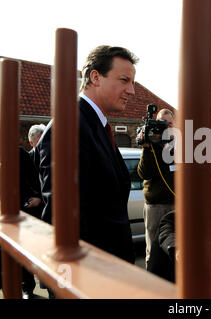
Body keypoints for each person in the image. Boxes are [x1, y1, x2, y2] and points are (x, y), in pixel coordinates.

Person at [36, 46, 138, 266]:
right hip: (89, 272)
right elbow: (61, 216)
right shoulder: (70, 126)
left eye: (133, 83)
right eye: (124, 80)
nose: (132, 91)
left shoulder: (95, 125)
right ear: (95, 77)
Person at [0, 117, 43, 298]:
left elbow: (37, 184)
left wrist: (36, 198)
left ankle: (27, 289)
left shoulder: (20, 155)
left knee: (20, 259)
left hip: (21, 217)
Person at [137, 108, 175, 268]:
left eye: (169, 124)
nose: (166, 128)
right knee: (153, 250)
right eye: (162, 124)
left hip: (177, 204)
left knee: (176, 248)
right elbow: (143, 173)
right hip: (155, 205)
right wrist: (148, 147)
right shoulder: (151, 145)